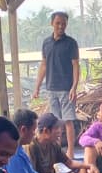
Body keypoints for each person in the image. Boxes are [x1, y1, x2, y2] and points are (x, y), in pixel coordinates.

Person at [32, 11, 82, 159]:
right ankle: (57, 151)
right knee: (55, 122)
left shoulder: (71, 43)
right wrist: (37, 87)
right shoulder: (46, 43)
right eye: (58, 23)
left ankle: (70, 152)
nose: (61, 26)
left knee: (68, 120)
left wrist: (74, 87)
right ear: (52, 23)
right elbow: (44, 65)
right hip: (51, 88)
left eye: (63, 24)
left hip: (66, 88)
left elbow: (75, 65)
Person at [28, 113, 93, 173]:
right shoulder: (32, 146)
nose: (60, 131)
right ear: (46, 131)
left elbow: (70, 163)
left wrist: (89, 166)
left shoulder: (53, 144)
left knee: (81, 169)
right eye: (56, 128)